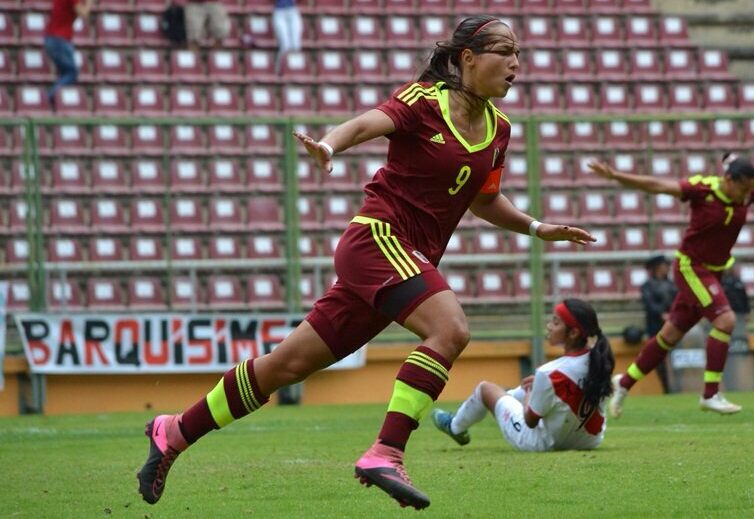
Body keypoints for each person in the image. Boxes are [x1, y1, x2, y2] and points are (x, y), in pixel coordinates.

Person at [136, 16, 594, 511]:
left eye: (519, 54)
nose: (515, 64)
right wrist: (329, 146)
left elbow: (483, 200)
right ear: (467, 57)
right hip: (377, 239)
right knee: (451, 329)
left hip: (402, 260)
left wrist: (536, 227)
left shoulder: (499, 129)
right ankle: (386, 452)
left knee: (284, 366)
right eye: (504, 52)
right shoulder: (423, 100)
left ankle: (174, 431)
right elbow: (364, 125)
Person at [588, 153, 754, 417]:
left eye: (750, 190)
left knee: (669, 336)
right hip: (691, 267)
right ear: (728, 179)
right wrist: (616, 176)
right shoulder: (702, 190)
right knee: (725, 321)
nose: (746, 195)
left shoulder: (749, 193)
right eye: (742, 188)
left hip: (714, 273)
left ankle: (623, 383)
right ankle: (710, 393)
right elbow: (658, 185)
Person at [431, 298, 614, 452]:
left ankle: (455, 427)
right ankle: (504, 397)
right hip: (590, 441)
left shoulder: (549, 372)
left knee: (486, 389)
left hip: (543, 443)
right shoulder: (601, 360)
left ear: (573, 333)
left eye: (556, 322)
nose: (549, 326)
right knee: (516, 392)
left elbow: (531, 421)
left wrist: (529, 395)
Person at [44, 0, 94, 108]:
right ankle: (49, 99)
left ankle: (57, 104)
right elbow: (84, 13)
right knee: (71, 72)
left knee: (65, 73)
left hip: (52, 37)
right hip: (59, 39)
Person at [640, 254, 676, 394]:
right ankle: (667, 388)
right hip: (656, 326)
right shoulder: (647, 286)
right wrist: (662, 314)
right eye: (664, 265)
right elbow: (650, 305)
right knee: (659, 357)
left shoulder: (672, 285)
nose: (667, 268)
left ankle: (675, 386)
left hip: (673, 325)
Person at [273, 0, 302, 70]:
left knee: (296, 45)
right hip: (279, 11)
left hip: (292, 11)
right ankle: (280, 70)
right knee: (285, 45)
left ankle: (295, 69)